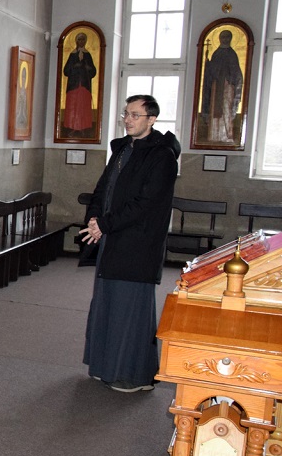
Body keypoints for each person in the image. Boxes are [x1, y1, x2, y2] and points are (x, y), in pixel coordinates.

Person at [81, 95, 180, 393]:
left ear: (152, 119)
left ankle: (135, 376)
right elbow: (103, 188)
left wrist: (105, 224)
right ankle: (104, 366)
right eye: (126, 113)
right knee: (107, 303)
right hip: (113, 238)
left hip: (138, 243)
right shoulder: (122, 148)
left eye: (135, 115)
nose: (128, 119)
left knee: (130, 309)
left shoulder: (162, 156)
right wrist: (94, 218)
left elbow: (145, 204)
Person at [201, 29, 244, 143]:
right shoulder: (216, 53)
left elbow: (236, 73)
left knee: (226, 110)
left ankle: (226, 135)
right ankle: (213, 135)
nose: (225, 39)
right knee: (214, 110)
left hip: (227, 87)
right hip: (216, 87)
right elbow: (212, 70)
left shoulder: (232, 54)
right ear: (220, 39)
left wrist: (229, 80)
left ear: (230, 39)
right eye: (223, 37)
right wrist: (208, 64)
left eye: (227, 37)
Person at [62, 32, 97, 135]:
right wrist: (75, 66)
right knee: (72, 107)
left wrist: (87, 67)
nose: (81, 42)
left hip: (84, 86)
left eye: (83, 40)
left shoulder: (88, 55)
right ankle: (71, 128)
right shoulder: (72, 55)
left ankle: (83, 128)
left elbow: (93, 71)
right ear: (76, 41)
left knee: (83, 107)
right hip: (73, 86)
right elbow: (66, 71)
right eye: (79, 40)